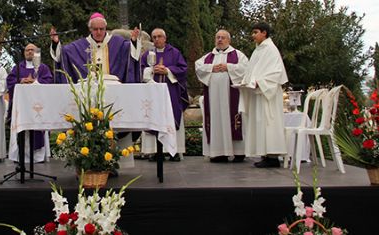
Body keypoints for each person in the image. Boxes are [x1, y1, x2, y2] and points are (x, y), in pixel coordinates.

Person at [239, 22, 288, 168]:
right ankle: (265, 155)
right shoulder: (258, 50)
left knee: (268, 123)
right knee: (260, 123)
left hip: (268, 94)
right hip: (258, 93)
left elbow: (276, 72)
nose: (253, 36)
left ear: (264, 33)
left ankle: (272, 156)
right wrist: (246, 81)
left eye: (255, 32)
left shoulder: (271, 50)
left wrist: (258, 82)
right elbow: (251, 71)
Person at [195, 30, 249, 163]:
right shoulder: (209, 57)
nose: (220, 40)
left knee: (233, 119)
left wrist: (228, 67)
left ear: (228, 40)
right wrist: (212, 68)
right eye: (217, 37)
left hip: (231, 96)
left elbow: (246, 68)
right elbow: (198, 67)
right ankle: (218, 153)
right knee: (216, 120)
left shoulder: (238, 55)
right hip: (213, 98)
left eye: (223, 38)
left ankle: (238, 152)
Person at [49, 12, 142, 84]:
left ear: (105, 28)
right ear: (90, 29)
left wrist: (133, 41)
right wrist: (55, 43)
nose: (98, 32)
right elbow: (63, 53)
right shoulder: (80, 45)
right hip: (88, 89)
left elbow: (132, 52)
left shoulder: (118, 43)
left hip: (113, 87)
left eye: (101, 29)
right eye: (95, 29)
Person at [140, 28, 188, 161]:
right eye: (154, 37)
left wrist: (167, 70)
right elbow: (141, 69)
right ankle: (155, 152)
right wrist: (151, 71)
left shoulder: (174, 53)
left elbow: (183, 69)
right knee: (153, 118)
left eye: (159, 36)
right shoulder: (147, 54)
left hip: (170, 92)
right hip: (153, 94)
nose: (156, 39)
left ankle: (174, 151)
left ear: (165, 38)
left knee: (171, 118)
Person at [6, 43, 53, 163]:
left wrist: (35, 81)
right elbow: (10, 81)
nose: (30, 52)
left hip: (38, 106)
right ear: (24, 53)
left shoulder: (42, 68)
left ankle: (37, 157)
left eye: (32, 50)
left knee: (37, 128)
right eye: (27, 50)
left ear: (36, 52)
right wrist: (21, 80)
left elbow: (48, 81)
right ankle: (19, 156)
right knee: (22, 128)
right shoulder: (17, 68)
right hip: (21, 106)